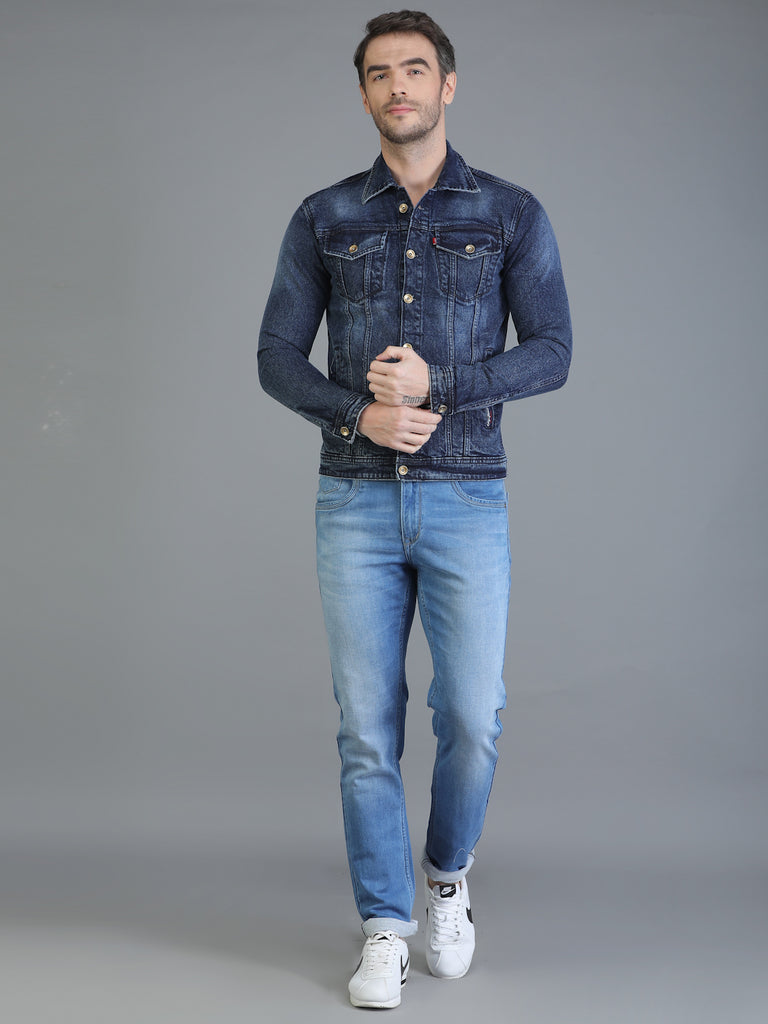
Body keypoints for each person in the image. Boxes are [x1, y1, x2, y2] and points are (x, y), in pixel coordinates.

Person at [258, 9, 571, 1010]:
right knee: (366, 726)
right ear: (364, 94)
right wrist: (359, 411)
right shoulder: (324, 216)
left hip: (466, 494)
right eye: (379, 73)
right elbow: (275, 356)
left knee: (472, 716)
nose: (398, 85)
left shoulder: (511, 212)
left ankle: (445, 880)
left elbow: (554, 350)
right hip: (353, 498)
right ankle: (385, 926)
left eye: (415, 69)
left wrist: (443, 385)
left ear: (448, 85)